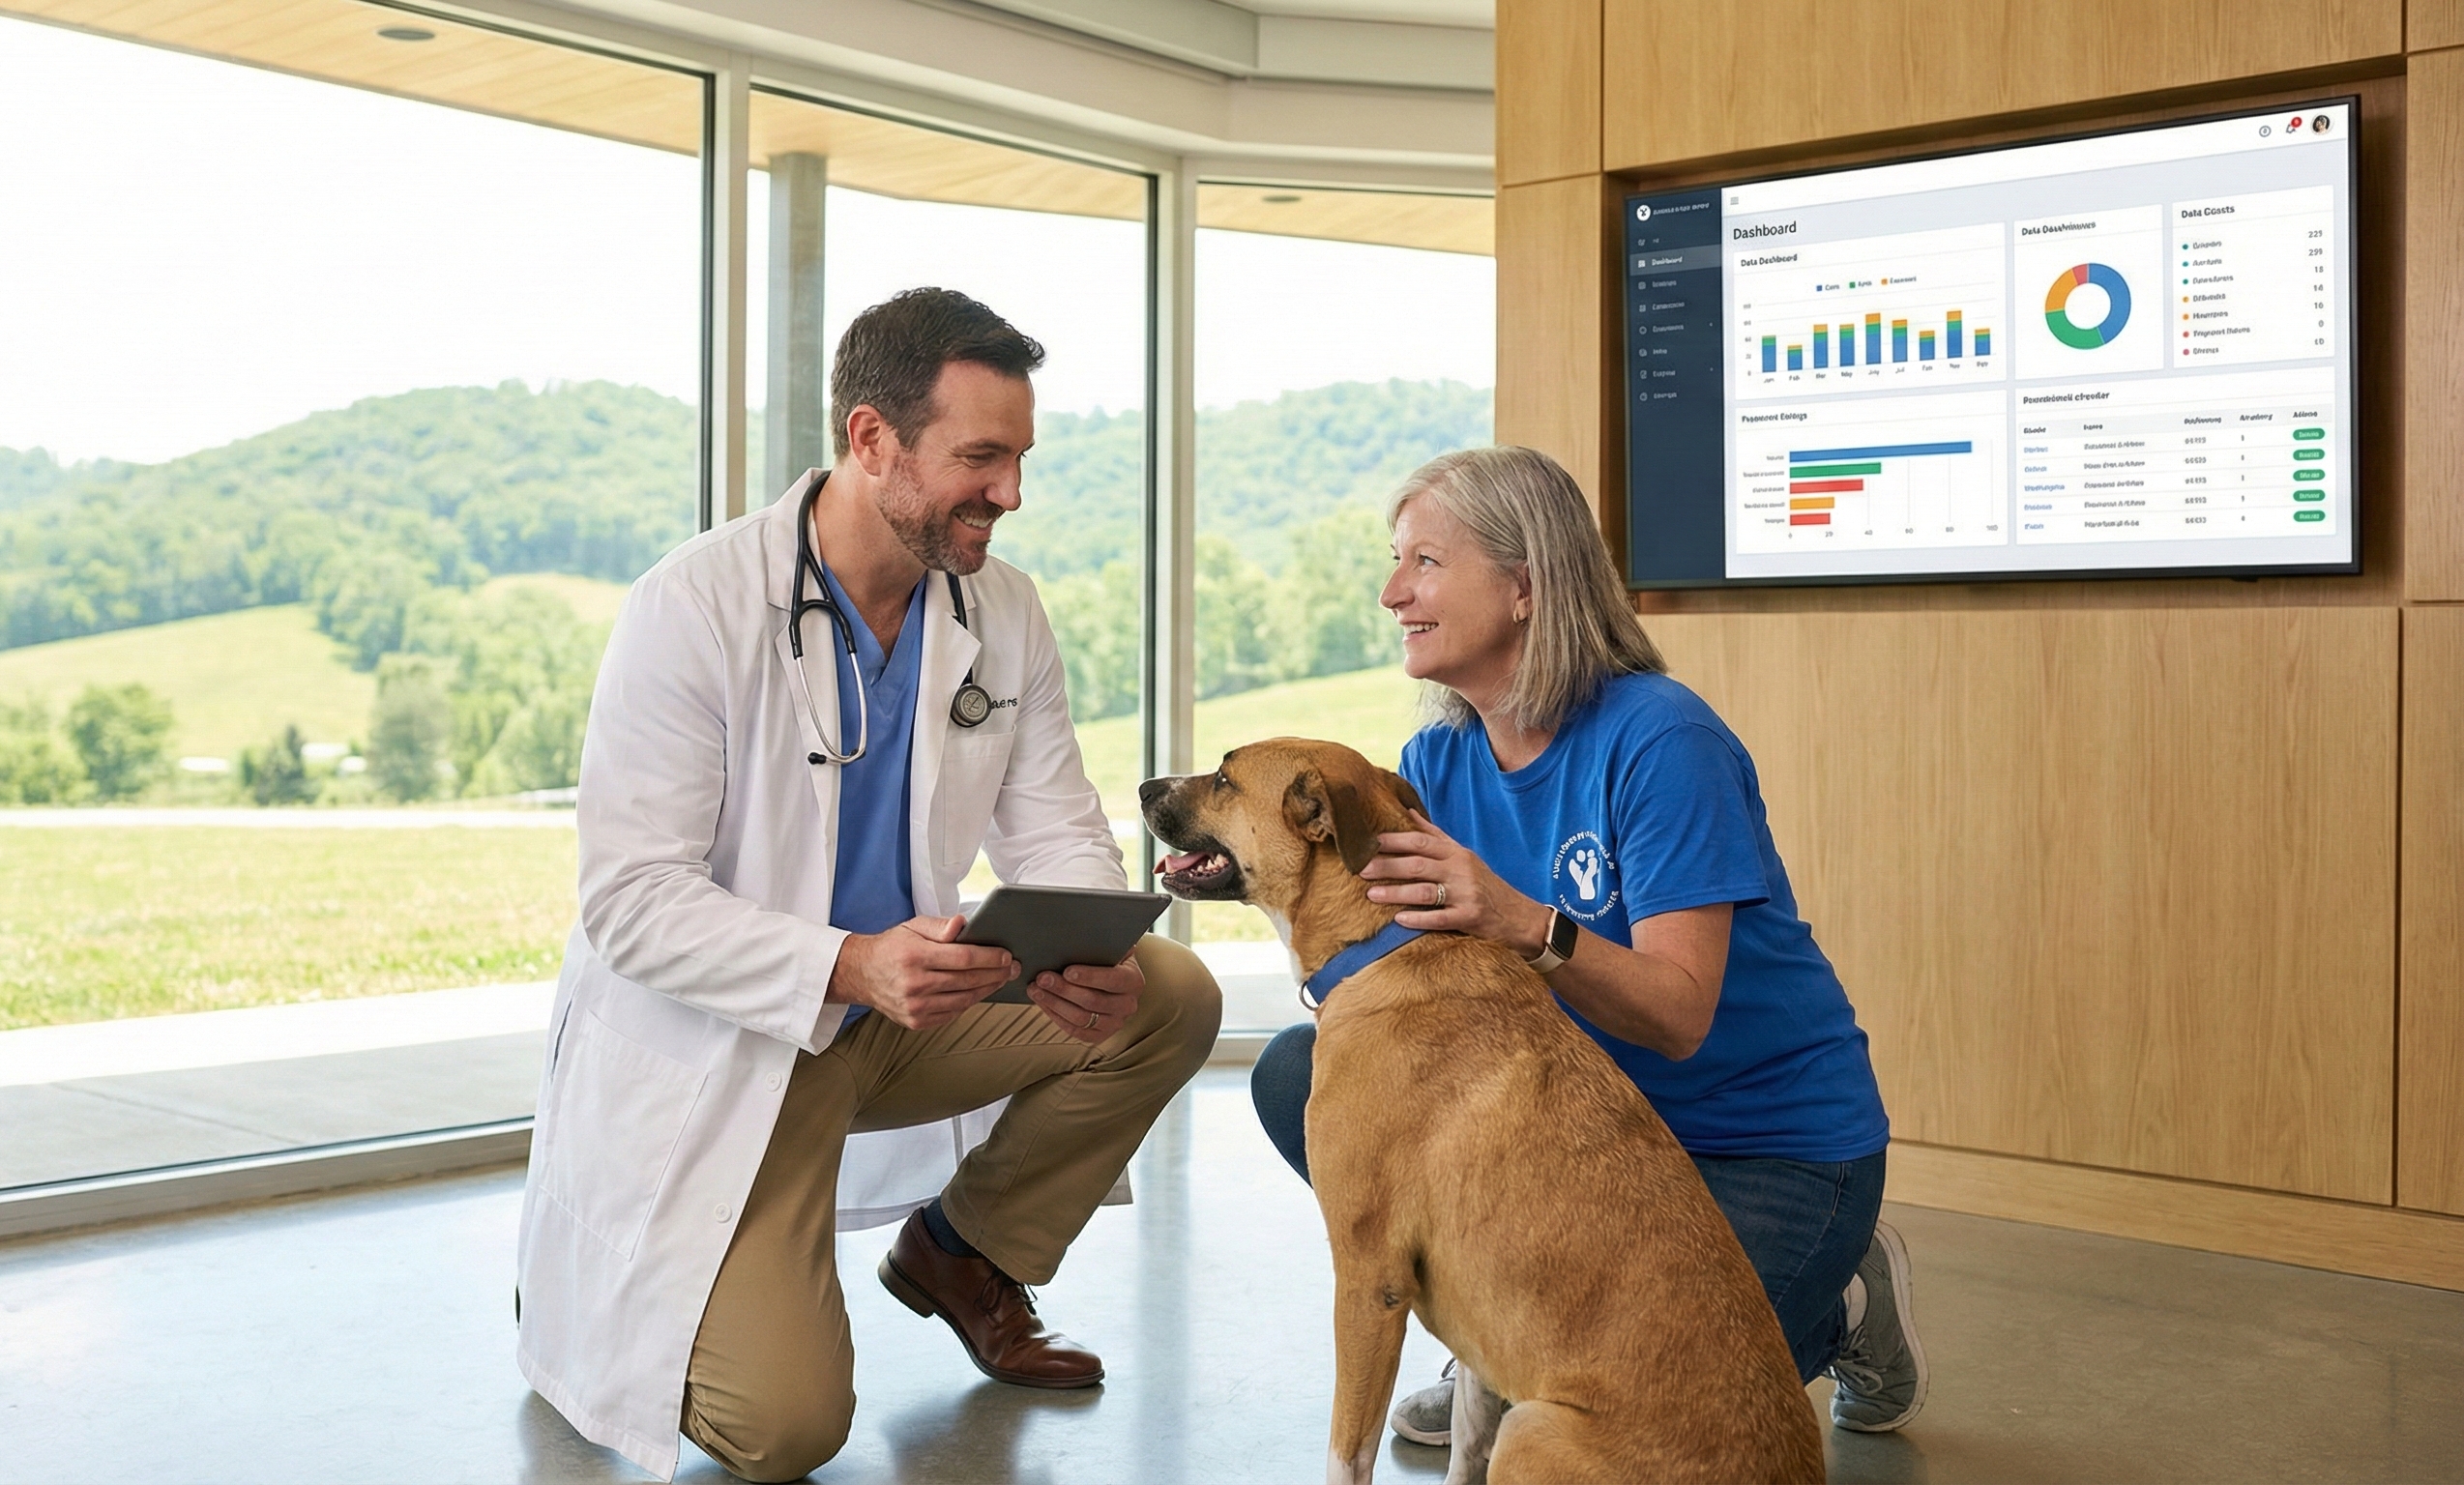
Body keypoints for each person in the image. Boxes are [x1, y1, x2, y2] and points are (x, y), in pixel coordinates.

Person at [517, 288, 1221, 1484]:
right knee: (782, 1432)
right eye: (980, 458)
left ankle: (963, 1253)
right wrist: (847, 964)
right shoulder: (692, 606)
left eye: (1019, 459)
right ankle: (588, 1297)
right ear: (871, 439)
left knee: (1168, 996)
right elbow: (629, 900)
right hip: (734, 1036)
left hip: (907, 1013)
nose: (1009, 492)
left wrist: (1085, 953)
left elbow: (1055, 828)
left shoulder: (1003, 609)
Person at [1247, 445, 1925, 1443]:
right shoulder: (1434, 762)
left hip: (1758, 1148)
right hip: (1581, 1142)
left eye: (1425, 563)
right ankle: (1494, 1335)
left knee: (1662, 1420)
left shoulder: (1662, 741)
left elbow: (1679, 1016)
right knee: (1301, 1072)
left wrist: (1520, 919)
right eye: (1394, 564)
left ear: (1523, 587)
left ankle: (1845, 1303)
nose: (1393, 594)